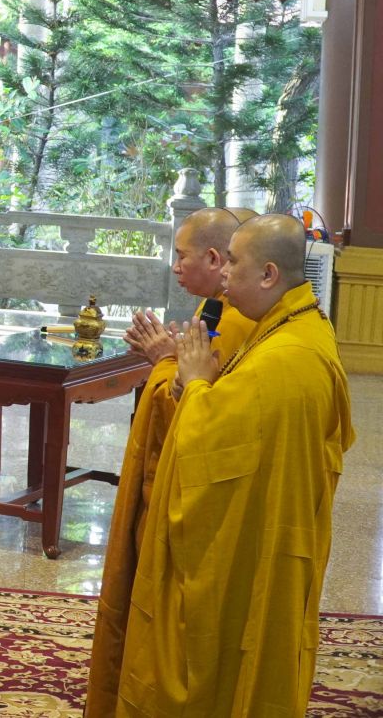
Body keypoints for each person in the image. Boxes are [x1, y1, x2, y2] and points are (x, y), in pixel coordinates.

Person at [113, 214, 352, 716]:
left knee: (228, 653)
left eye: (233, 262)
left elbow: (206, 445)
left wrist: (183, 376)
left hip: (256, 543)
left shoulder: (286, 357)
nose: (223, 273)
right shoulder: (292, 325)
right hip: (272, 528)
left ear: (268, 274)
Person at [84, 208, 257, 717]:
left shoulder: (239, 321)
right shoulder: (215, 307)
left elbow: (201, 411)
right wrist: (174, 356)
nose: (175, 266)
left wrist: (163, 360)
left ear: (216, 258)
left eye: (182, 256)